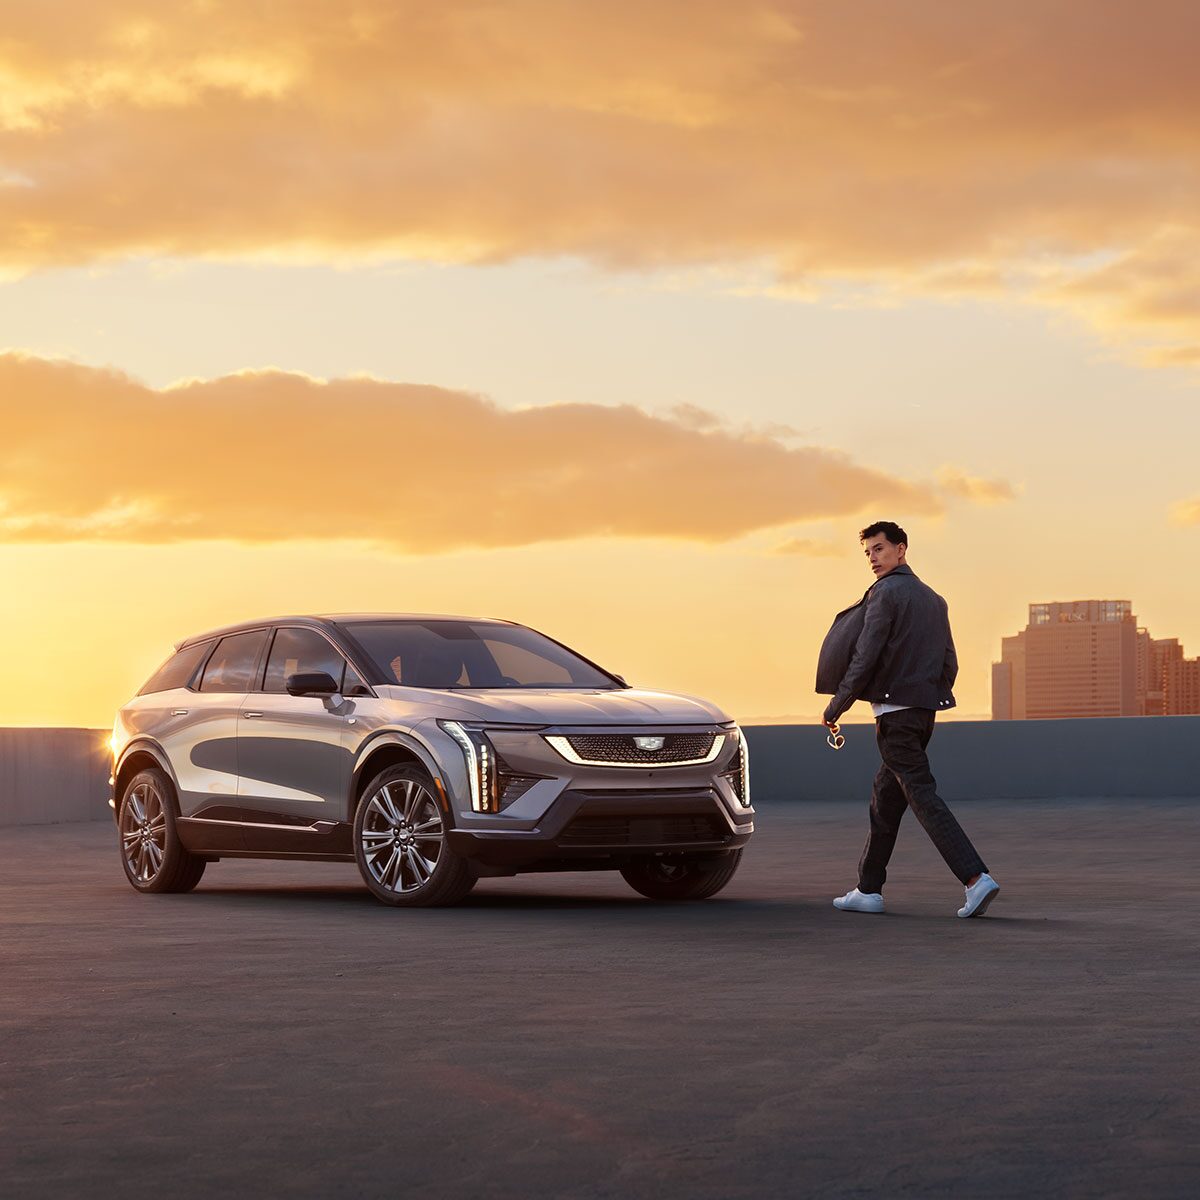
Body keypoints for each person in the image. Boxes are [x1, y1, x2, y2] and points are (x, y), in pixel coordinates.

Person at [816, 521, 999, 918]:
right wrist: (928, 696)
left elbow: (866, 654)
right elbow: (949, 662)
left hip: (895, 716)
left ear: (901, 549)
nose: (872, 558)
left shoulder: (885, 593)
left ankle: (975, 878)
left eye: (879, 549)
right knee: (885, 801)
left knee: (921, 794)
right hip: (922, 713)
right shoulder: (935, 600)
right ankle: (868, 889)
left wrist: (837, 705)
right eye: (868, 552)